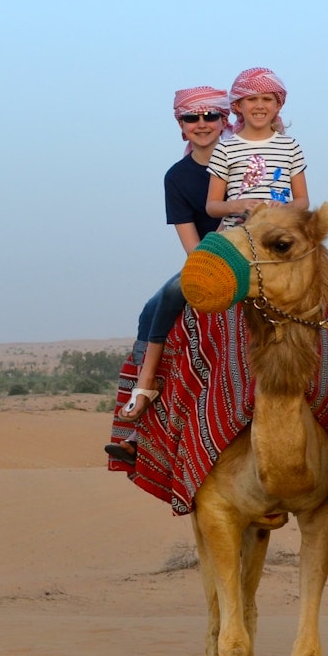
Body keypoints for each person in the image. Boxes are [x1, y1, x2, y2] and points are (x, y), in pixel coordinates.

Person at [116, 86, 235, 430]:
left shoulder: (245, 163)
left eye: (210, 115)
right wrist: (212, 269)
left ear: (223, 120)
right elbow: (191, 243)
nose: (201, 123)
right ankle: (144, 389)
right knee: (157, 306)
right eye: (191, 117)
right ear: (181, 125)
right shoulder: (178, 177)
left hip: (260, 256)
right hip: (211, 260)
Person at [205, 67, 328, 308]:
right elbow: (212, 206)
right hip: (238, 243)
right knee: (176, 292)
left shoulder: (290, 146)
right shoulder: (225, 149)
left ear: (278, 106)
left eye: (267, 99)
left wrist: (285, 209)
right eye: (252, 99)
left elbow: (302, 201)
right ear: (239, 106)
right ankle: (152, 342)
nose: (260, 106)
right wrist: (238, 205)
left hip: (283, 243)